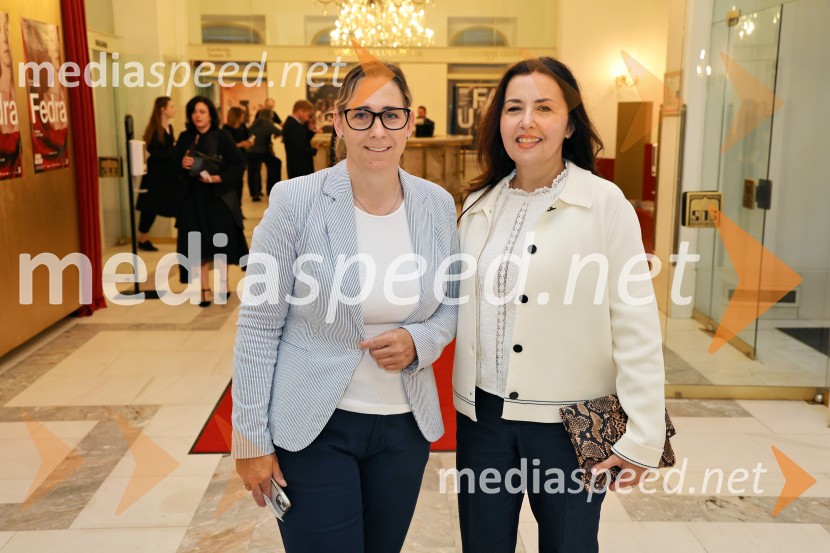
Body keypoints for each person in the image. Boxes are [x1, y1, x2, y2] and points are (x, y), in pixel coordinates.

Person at [233, 61, 460, 553]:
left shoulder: (437, 205)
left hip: (404, 427)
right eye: (362, 115)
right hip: (314, 426)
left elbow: (452, 305)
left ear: (409, 122)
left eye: (391, 115)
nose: (377, 130)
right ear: (338, 122)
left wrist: (420, 340)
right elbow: (257, 326)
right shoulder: (296, 201)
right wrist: (250, 439)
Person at [453, 57, 667, 552]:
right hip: (484, 420)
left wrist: (642, 435)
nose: (526, 122)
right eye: (513, 108)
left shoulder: (604, 203)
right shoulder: (477, 204)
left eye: (543, 108)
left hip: (569, 425)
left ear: (569, 123)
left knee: (569, 544)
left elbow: (635, 324)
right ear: (497, 123)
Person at [175, 96, 248, 307]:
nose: (198, 116)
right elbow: (173, 168)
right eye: (194, 112)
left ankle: (223, 285)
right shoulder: (184, 137)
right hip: (193, 198)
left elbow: (238, 163)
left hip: (218, 197)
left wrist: (219, 177)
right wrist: (182, 162)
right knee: (198, 245)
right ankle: (204, 288)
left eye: (202, 111)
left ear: (210, 115)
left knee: (221, 243)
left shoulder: (222, 136)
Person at [135, 96, 180, 251]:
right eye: (171, 106)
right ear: (163, 109)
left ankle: (185, 237)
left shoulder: (169, 127)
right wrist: (174, 150)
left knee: (173, 205)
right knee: (150, 207)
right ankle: (143, 239)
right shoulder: (155, 129)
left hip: (167, 175)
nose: (174, 109)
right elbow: (154, 151)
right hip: (156, 175)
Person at [247, 108, 281, 201]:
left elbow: (247, 133)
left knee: (253, 171)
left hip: (251, 152)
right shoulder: (268, 124)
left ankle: (255, 194)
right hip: (263, 152)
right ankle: (272, 189)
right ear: (270, 115)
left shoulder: (255, 123)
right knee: (276, 163)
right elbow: (280, 132)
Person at [223, 106, 253, 207]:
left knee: (239, 185)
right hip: (230, 160)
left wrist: (249, 142)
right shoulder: (226, 129)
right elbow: (226, 145)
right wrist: (240, 144)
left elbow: (249, 136)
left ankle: (238, 208)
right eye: (241, 116)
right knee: (233, 185)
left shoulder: (243, 127)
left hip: (241, 158)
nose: (242, 118)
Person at [281, 99, 317, 179]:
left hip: (298, 168)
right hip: (298, 169)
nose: (308, 119)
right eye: (308, 115)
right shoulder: (293, 125)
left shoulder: (295, 124)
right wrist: (314, 149)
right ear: (300, 111)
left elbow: (303, 140)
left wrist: (310, 130)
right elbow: (299, 150)